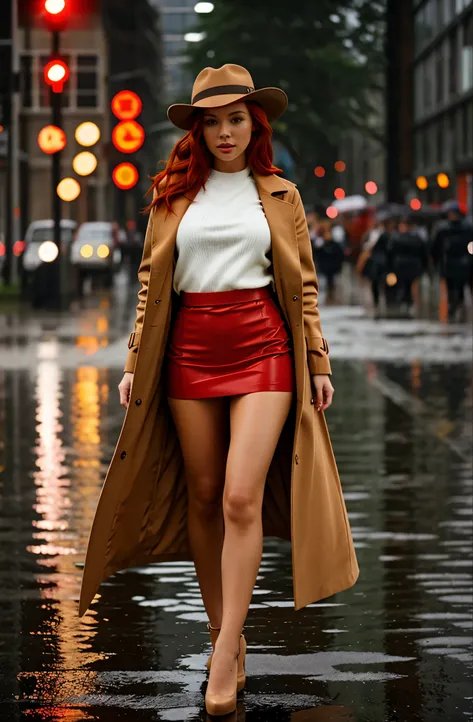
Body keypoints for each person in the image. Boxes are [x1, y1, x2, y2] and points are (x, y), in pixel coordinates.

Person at [78, 64, 359, 717]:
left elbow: (304, 288)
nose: (225, 131)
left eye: (236, 119)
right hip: (189, 350)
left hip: (263, 347)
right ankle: (223, 638)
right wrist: (132, 362)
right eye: (213, 121)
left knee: (240, 496)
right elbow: (152, 287)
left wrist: (315, 360)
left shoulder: (281, 195)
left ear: (253, 125)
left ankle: (228, 647)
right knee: (203, 496)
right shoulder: (173, 195)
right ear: (198, 130)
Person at [431, 202, 473, 321]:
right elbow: (436, 247)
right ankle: (452, 305)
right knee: (450, 287)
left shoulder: (467, 228)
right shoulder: (443, 229)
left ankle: (458, 304)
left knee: (460, 286)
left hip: (463, 262)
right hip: (449, 262)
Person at [387, 217, 430, 315]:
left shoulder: (396, 238)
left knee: (405, 285)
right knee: (406, 285)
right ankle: (406, 301)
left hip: (403, 266)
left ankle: (405, 301)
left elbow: (390, 252)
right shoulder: (416, 238)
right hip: (409, 266)